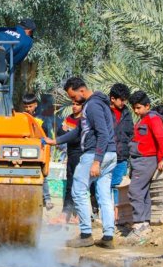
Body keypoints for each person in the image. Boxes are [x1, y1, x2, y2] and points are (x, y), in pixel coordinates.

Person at [44, 77, 118, 249]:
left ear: (81, 91)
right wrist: (56, 141)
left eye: (73, 97)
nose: (73, 101)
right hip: (110, 154)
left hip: (95, 154)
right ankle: (108, 237)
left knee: (78, 190)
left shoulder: (92, 106)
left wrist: (96, 161)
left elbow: (103, 134)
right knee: (104, 194)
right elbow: (79, 130)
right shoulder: (98, 104)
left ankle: (85, 234)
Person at [127, 91, 163, 241]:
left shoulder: (152, 119)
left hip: (146, 160)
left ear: (147, 106)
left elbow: (162, 138)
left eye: (138, 107)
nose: (136, 111)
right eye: (134, 107)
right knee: (143, 191)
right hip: (139, 160)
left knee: (135, 190)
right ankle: (145, 223)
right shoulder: (143, 119)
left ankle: (139, 224)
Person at [49, 101, 83, 225]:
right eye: (73, 104)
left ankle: (80, 215)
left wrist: (67, 133)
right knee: (69, 185)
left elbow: (76, 137)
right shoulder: (69, 119)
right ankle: (66, 214)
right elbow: (60, 132)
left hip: (81, 155)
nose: (74, 106)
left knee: (80, 186)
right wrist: (67, 134)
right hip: (71, 155)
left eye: (77, 104)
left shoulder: (84, 121)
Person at [21, 93, 54, 210]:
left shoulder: (41, 119)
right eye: (26, 107)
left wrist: (44, 148)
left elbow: (46, 137)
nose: (28, 109)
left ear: (35, 105)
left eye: (30, 106)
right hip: (24, 151)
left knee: (42, 174)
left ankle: (47, 198)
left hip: (39, 150)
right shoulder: (21, 118)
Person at [109, 83, 134, 214]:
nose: (123, 102)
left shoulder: (126, 113)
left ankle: (117, 215)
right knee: (103, 185)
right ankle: (103, 212)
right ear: (113, 99)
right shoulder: (104, 112)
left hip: (122, 157)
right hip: (106, 155)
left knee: (117, 185)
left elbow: (131, 133)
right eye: (122, 99)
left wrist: (128, 149)